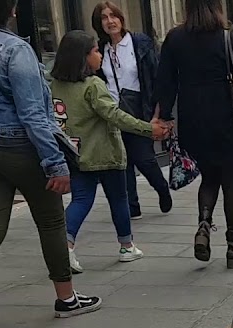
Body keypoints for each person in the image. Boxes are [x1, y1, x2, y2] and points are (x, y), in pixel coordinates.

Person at [0, 0, 103, 317]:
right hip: (18, 147)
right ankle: (66, 299)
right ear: (12, 11)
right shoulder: (16, 49)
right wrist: (56, 163)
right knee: (51, 220)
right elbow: (33, 115)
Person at [50, 30, 166, 271]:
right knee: (119, 199)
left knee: (81, 200)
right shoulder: (93, 85)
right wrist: (148, 129)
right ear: (82, 57)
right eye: (94, 51)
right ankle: (126, 246)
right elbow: (115, 115)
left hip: (77, 153)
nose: (100, 55)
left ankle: (65, 246)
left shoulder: (56, 85)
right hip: (106, 153)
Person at [155, 0, 233, 269]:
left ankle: (203, 227)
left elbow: (165, 80)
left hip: (193, 120)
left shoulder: (175, 38)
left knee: (209, 178)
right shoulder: (226, 37)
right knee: (231, 181)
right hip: (227, 119)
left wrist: (164, 116)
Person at [91, 1, 172, 220]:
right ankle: (132, 206)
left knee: (144, 158)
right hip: (113, 112)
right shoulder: (101, 49)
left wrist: (160, 114)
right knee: (122, 161)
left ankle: (162, 188)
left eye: (113, 16)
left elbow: (157, 79)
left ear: (121, 18)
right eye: (104, 18)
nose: (110, 21)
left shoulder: (139, 43)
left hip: (139, 109)